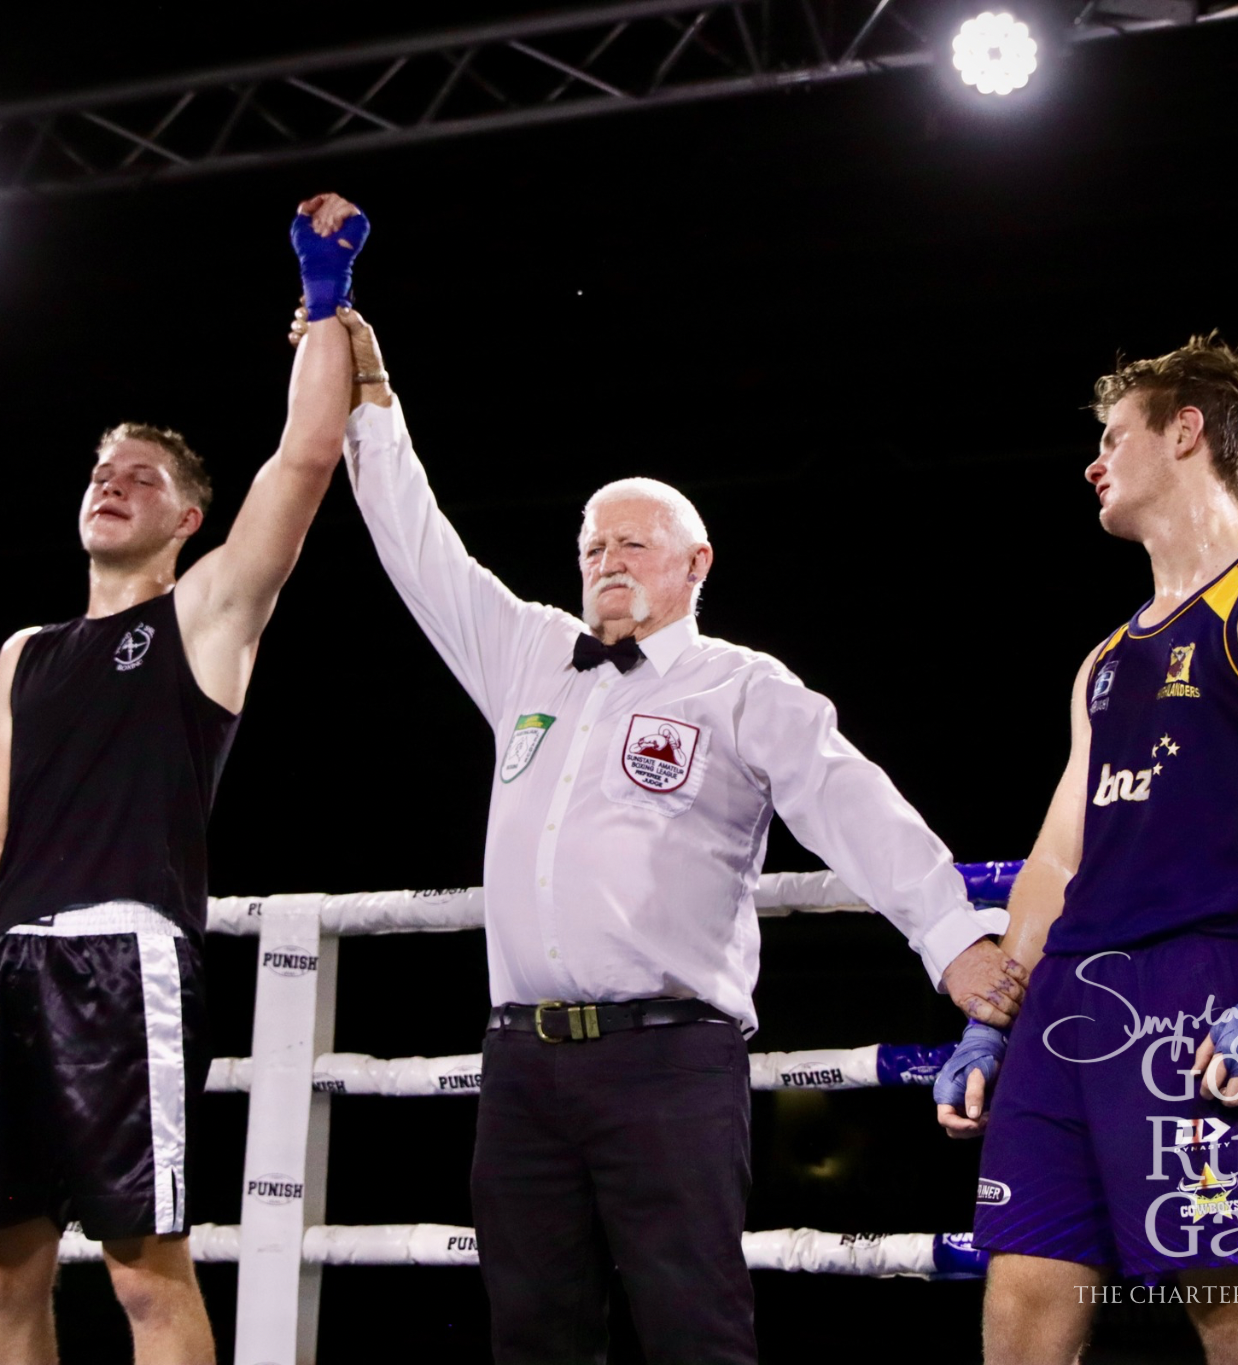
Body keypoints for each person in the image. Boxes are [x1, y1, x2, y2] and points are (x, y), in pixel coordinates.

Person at [295, 306, 1027, 1365]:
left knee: (692, 1330)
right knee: (534, 1334)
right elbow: (416, 542)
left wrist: (950, 939)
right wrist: (370, 400)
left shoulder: (737, 684)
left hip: (670, 1060)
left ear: (696, 564)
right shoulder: (526, 654)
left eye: (633, 541)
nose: (607, 558)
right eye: (592, 544)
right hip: (520, 1062)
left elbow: (851, 804)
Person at [0, 192, 369, 1363]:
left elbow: (308, 455)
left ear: (189, 518)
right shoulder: (25, 655)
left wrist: (324, 304)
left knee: (143, 1278)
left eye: (143, 474)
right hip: (13, 968)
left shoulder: (205, 617)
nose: (111, 481)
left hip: (128, 964)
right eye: (101, 468)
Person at [936, 336, 1238, 1364]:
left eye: (1112, 436)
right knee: (1021, 1300)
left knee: (1234, 1309)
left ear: (1183, 432)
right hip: (1067, 1002)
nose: (1093, 462)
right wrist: (995, 1018)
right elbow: (1056, 856)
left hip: (1209, 983)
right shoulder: (1105, 657)